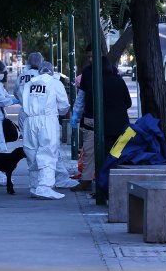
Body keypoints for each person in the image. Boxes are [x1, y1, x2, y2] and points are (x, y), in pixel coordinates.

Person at [71, 56, 132, 191]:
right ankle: (111, 183)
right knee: (114, 154)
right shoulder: (119, 81)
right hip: (118, 125)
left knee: (89, 152)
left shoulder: (91, 79)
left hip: (94, 121)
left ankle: (88, 181)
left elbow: (81, 99)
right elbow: (128, 103)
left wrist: (76, 115)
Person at [22, 61, 70, 199]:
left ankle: (34, 186)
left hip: (30, 120)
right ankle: (45, 187)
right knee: (48, 153)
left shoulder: (30, 83)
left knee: (32, 153)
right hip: (47, 120)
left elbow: (23, 100)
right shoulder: (55, 83)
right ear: (51, 71)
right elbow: (63, 106)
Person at [14, 52, 43, 131]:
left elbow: (15, 92)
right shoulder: (42, 76)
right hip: (38, 113)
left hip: (24, 112)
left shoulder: (22, 76)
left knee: (25, 139)